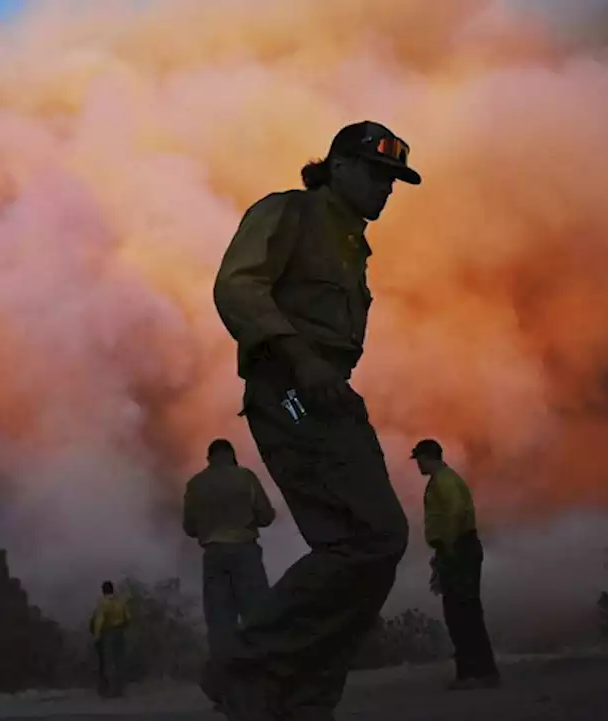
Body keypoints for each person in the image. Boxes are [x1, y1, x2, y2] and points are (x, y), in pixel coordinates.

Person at [208, 121, 419, 721]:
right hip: (291, 392)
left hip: (324, 393)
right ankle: (245, 667)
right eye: (378, 174)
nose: (387, 188)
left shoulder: (351, 241)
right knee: (378, 536)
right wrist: (300, 358)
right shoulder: (291, 213)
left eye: (394, 180)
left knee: (353, 545)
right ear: (340, 167)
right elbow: (237, 286)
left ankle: (301, 695)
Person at [411, 438, 500, 689]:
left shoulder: (443, 481)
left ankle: (474, 673)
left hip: (459, 549)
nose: (417, 464)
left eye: (419, 458)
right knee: (464, 610)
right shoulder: (446, 479)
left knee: (461, 612)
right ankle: (480, 671)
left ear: (428, 457)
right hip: (459, 548)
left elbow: (455, 513)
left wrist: (447, 548)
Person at [183, 438, 276, 660]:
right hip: (245, 551)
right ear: (232, 455)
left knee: (220, 619)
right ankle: (262, 667)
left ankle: (226, 672)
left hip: (214, 554)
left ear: (209, 458)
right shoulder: (246, 477)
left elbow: (189, 527)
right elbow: (266, 516)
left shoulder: (195, 484)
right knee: (256, 613)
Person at [90, 580, 131, 698]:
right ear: (112, 590)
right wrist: (122, 629)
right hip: (120, 632)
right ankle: (120, 690)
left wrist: (96, 636)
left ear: (103, 591)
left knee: (108, 662)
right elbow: (128, 618)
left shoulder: (103, 602)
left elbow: (99, 620)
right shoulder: (120, 602)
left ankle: (109, 690)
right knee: (119, 661)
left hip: (107, 633)